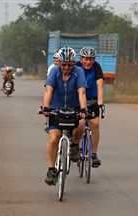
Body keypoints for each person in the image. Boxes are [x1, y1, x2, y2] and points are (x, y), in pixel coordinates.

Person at [42, 46, 88, 185]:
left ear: (73, 63)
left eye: (69, 64)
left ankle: (74, 145)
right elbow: (48, 90)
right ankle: (51, 169)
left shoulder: (78, 72)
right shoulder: (54, 72)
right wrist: (45, 107)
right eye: (64, 65)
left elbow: (81, 92)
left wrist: (83, 109)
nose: (67, 67)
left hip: (73, 108)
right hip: (56, 109)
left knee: (81, 124)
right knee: (54, 138)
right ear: (59, 63)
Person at [75, 47, 104, 168]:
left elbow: (100, 84)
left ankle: (94, 154)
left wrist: (100, 102)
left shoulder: (96, 67)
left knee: (95, 124)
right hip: (77, 99)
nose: (88, 62)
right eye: (86, 59)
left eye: (91, 59)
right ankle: (75, 146)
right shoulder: (75, 67)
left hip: (92, 100)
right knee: (78, 124)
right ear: (81, 59)